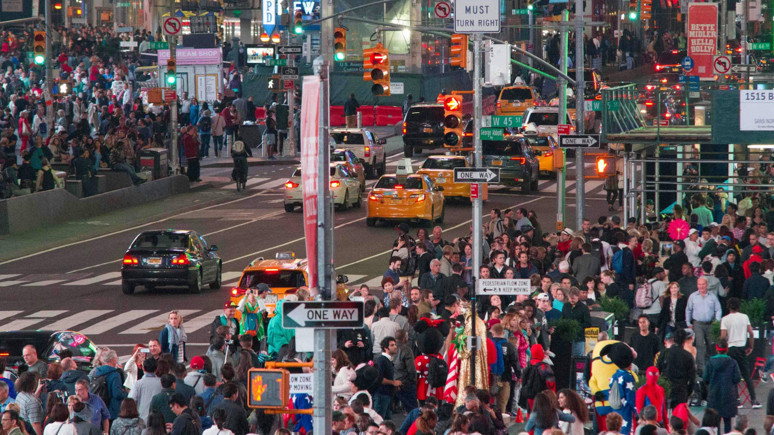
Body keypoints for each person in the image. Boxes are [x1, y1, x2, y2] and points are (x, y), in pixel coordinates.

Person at [720, 297, 760, 408]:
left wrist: (723, 349)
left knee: (732, 375)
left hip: (730, 348)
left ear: (728, 307)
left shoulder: (725, 319)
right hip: (742, 347)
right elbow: (751, 333)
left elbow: (723, 337)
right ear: (739, 306)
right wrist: (751, 346)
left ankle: (737, 400)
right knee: (746, 375)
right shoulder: (744, 317)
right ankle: (753, 399)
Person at [702, 338, 741, 433]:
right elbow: (737, 378)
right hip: (729, 396)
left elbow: (705, 378)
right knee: (728, 423)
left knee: (715, 423)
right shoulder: (733, 362)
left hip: (714, 396)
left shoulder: (710, 362)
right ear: (727, 349)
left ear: (716, 349)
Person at [686, 277, 722, 373]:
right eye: (699, 284)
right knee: (700, 345)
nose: (701, 286)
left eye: (703, 284)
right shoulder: (693, 296)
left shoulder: (712, 296)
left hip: (710, 324)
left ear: (707, 285)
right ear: (697, 285)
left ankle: (712, 366)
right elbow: (688, 310)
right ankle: (701, 368)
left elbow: (718, 309)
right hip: (698, 324)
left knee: (711, 345)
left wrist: (717, 321)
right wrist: (688, 323)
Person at [89, 349, 127, 420]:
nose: (117, 360)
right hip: (111, 410)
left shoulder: (96, 371)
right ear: (112, 360)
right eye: (116, 359)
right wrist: (125, 393)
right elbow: (117, 394)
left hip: (98, 407)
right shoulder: (115, 374)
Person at [373, 337, 400, 420]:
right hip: (381, 395)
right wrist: (393, 382)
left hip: (387, 395)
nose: (395, 347)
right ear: (385, 348)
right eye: (392, 345)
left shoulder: (388, 361)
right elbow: (379, 378)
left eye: (395, 344)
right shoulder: (381, 360)